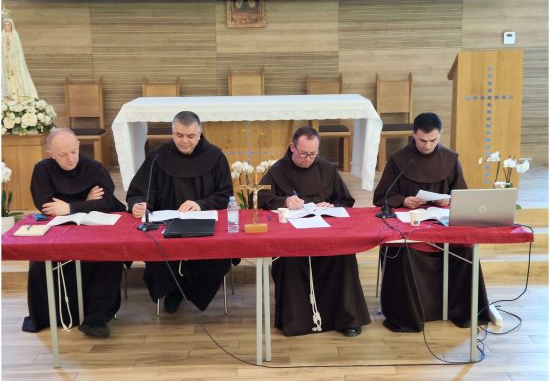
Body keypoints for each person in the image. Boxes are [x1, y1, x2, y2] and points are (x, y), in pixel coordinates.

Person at [373, 112, 490, 332]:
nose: (427, 145)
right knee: (403, 252)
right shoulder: (399, 160)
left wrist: (450, 200)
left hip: (442, 222)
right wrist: (403, 200)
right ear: (413, 135)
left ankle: (462, 312)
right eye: (422, 140)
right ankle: (411, 314)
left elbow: (462, 195)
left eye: (433, 140)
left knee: (466, 249)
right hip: (409, 225)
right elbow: (381, 197)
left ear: (440, 135)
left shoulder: (450, 159)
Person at [256, 126, 371, 337]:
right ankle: (297, 321)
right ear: (292, 148)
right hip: (291, 237)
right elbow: (259, 199)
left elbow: (345, 200)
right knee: (288, 261)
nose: (308, 159)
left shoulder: (327, 169)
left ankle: (348, 319)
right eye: (303, 154)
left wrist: (331, 205)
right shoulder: (277, 171)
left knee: (344, 255)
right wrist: (284, 201)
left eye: (313, 154)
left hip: (326, 234)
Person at [23, 128, 126, 338]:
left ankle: (96, 317)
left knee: (109, 257)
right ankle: (57, 315)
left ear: (78, 146)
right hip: (58, 231)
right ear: (51, 154)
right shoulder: (42, 170)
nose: (70, 159)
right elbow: (47, 206)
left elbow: (106, 202)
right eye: (63, 155)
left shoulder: (95, 168)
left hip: (95, 230)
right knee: (40, 264)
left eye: (74, 152)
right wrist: (87, 202)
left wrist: (70, 207)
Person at [126, 111, 233, 314]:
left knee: (219, 256)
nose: (184, 141)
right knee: (155, 251)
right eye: (179, 135)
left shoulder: (216, 156)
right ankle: (173, 290)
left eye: (190, 136)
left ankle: (187, 290)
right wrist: (140, 204)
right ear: (172, 132)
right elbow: (141, 191)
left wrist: (201, 204)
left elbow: (226, 195)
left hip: (206, 225)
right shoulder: (158, 156)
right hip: (166, 225)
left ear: (200, 133)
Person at [2, 15, 38, 100]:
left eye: (8, 25)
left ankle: (16, 94)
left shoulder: (14, 35)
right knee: (6, 77)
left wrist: (10, 49)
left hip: (13, 60)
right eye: (5, 25)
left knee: (14, 76)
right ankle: (7, 95)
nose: (7, 26)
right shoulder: (2, 35)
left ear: (11, 26)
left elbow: (17, 49)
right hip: (5, 60)